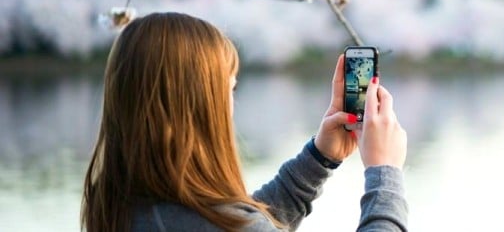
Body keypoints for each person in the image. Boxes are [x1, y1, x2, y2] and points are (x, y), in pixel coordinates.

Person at [81, 12, 408, 232]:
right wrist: (384, 174)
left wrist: (321, 158)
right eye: (229, 88)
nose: (231, 104)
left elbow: (235, 221)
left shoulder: (120, 208)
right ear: (200, 102)